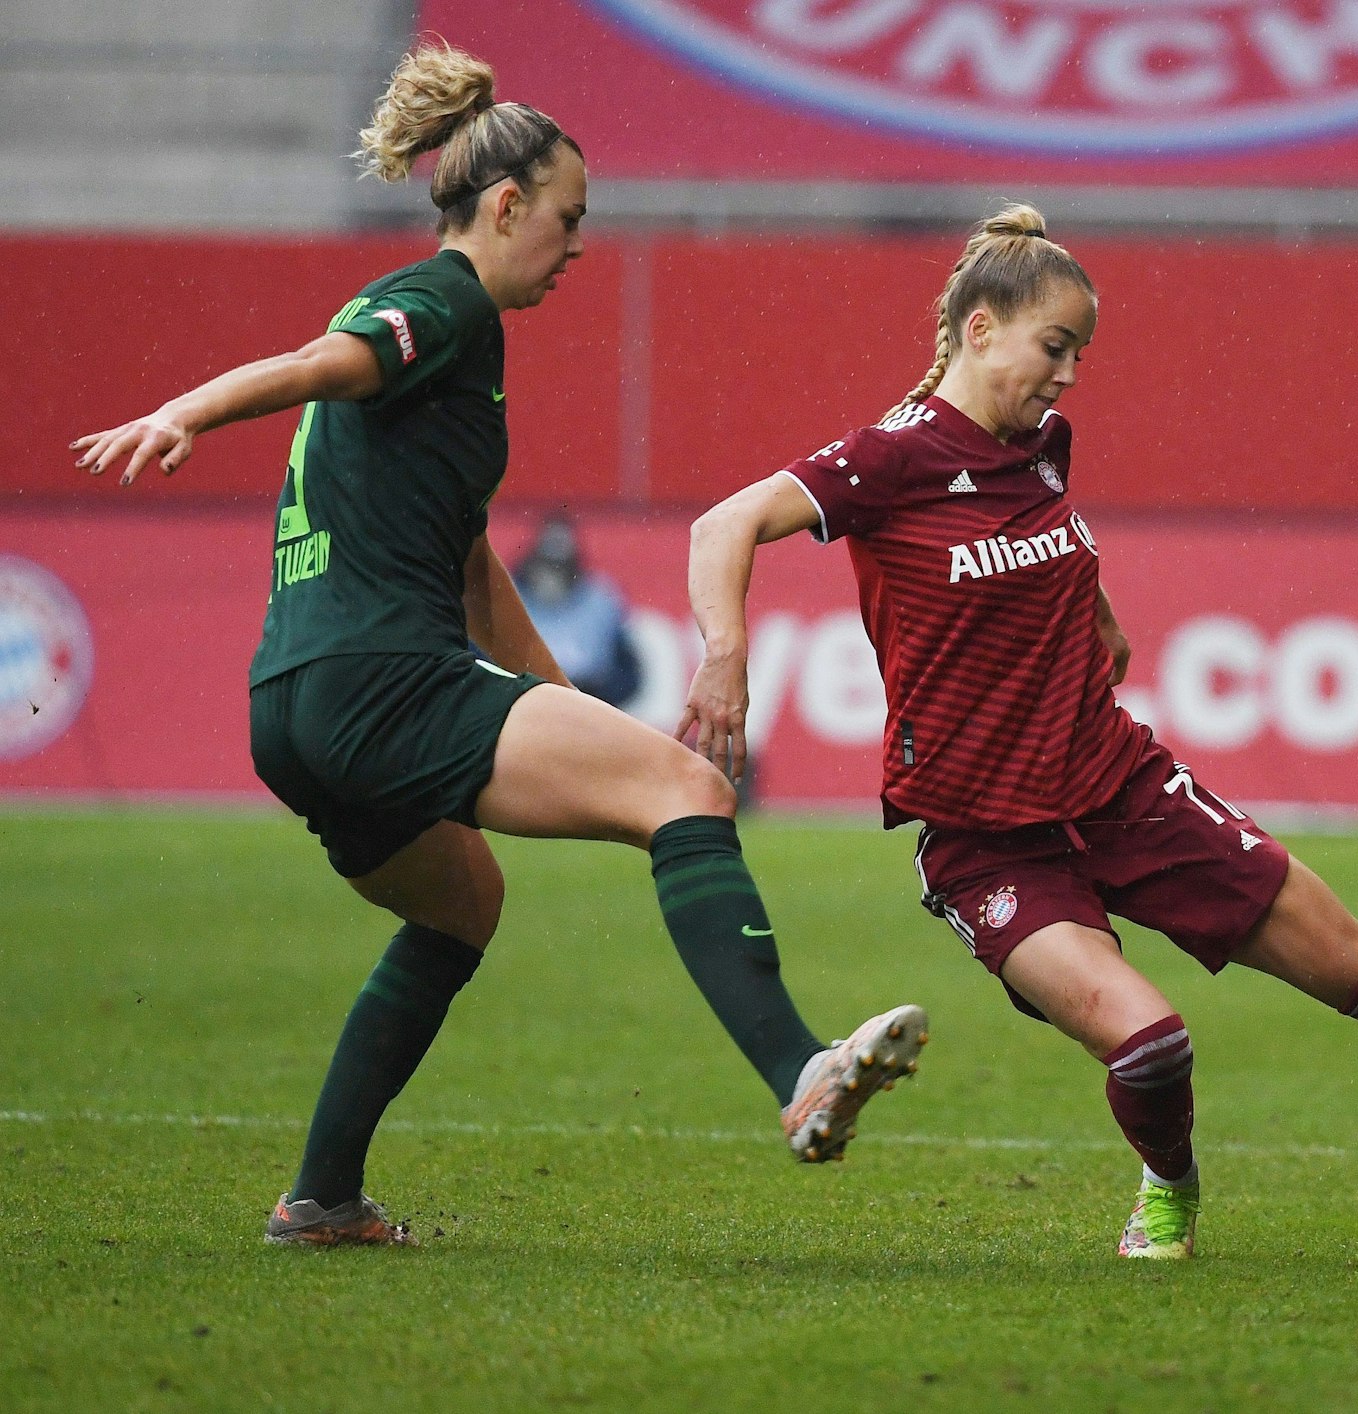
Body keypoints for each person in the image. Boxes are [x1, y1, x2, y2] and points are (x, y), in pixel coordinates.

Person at [682, 206, 1358, 1261]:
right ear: (980, 329)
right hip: (986, 841)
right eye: (1053, 346)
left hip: (1122, 789)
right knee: (1152, 1046)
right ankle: (1169, 1186)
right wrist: (726, 653)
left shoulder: (1040, 447)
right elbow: (722, 524)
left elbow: (1043, 537)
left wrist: (1098, 615)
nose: (1068, 374)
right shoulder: (890, 458)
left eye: (1079, 352)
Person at [71, 41, 922, 1248]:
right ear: (507, 204)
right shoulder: (447, 301)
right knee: (689, 790)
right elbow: (324, 367)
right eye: (568, 219)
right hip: (385, 680)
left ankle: (321, 1198)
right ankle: (799, 1069)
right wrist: (187, 411)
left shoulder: (450, 342)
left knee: (461, 903)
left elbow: (469, 564)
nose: (577, 246)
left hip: (294, 705)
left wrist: (569, 711)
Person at [514, 512, 643, 705]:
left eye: (560, 568)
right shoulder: (509, 596)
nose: (552, 578)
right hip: (524, 704)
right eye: (547, 565)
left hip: (586, 705)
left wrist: (597, 695)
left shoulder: (600, 601)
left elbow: (628, 674)